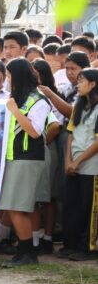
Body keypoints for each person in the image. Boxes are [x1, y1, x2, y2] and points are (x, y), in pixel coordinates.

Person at [0, 58, 50, 268]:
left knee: (16, 207)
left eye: (9, 76)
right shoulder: (17, 98)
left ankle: (28, 253)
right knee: (16, 208)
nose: (7, 80)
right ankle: (24, 252)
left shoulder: (38, 100)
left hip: (28, 158)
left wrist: (15, 111)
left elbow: (35, 131)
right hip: (15, 157)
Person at [63, 68, 98, 261]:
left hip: (92, 166)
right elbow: (71, 134)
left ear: (93, 84)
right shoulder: (79, 105)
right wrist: (68, 160)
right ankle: (73, 244)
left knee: (89, 207)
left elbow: (97, 142)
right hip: (74, 164)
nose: (78, 84)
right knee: (73, 205)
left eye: (82, 81)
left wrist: (78, 161)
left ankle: (88, 247)